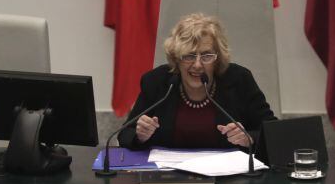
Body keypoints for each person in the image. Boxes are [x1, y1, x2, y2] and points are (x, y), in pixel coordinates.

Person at [118, 13, 276, 149]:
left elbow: (273, 133)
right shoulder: (157, 82)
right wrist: (140, 135)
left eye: (207, 56)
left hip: (228, 179)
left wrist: (248, 138)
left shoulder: (239, 79)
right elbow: (125, 134)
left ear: (217, 58)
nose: (198, 65)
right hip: (168, 178)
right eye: (189, 56)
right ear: (176, 59)